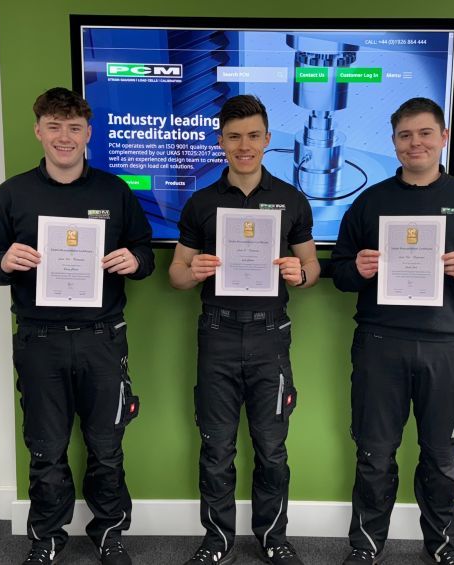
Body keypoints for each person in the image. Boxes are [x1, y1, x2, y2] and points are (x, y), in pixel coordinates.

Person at [0, 87, 154, 565]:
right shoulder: (13, 193)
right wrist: (4, 260)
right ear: (38, 131)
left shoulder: (114, 191)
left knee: (107, 446)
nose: (64, 137)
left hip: (103, 338)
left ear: (88, 132)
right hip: (39, 341)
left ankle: (109, 533)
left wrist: (133, 260)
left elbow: (146, 253)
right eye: (54, 126)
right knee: (47, 448)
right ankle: (46, 538)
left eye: (74, 127)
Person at [330, 97, 454, 565]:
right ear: (393, 143)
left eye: (425, 133)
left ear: (443, 137)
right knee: (374, 454)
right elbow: (339, 272)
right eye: (405, 135)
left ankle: (443, 547)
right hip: (379, 345)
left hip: (448, 348)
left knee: (442, 458)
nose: (416, 143)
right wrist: (359, 267)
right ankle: (366, 547)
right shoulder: (370, 201)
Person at [169, 94, 320, 565]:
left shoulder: (292, 200)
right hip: (216, 334)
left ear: (267, 140)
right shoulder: (201, 203)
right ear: (221, 142)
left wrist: (301, 273)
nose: (244, 145)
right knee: (216, 447)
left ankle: (273, 537)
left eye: (253, 135)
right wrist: (194, 272)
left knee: (272, 448)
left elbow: (312, 265)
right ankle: (218, 541)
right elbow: (175, 273)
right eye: (234, 137)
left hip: (270, 336)